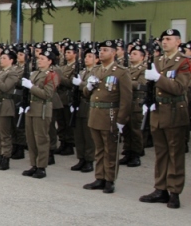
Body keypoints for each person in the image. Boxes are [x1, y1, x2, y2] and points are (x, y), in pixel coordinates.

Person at [139, 29, 191, 209]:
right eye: (163, 39)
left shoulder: (184, 62)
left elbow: (179, 88)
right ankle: (161, 188)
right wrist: (148, 100)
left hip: (175, 112)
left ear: (178, 42)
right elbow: (152, 86)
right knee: (161, 153)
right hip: (158, 111)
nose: (165, 42)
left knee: (175, 153)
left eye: (169, 39)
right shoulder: (157, 60)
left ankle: (174, 191)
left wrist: (158, 78)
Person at [82, 40, 131, 194]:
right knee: (99, 149)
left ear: (113, 53)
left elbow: (126, 98)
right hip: (95, 113)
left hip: (110, 114)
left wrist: (122, 119)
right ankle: (99, 177)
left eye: (105, 50)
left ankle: (110, 179)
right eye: (100, 50)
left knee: (110, 149)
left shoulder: (121, 72)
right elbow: (86, 93)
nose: (101, 52)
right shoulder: (96, 70)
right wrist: (87, 87)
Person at [20, 49, 58, 179]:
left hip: (42, 109)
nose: (39, 60)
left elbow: (47, 94)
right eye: (39, 58)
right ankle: (34, 164)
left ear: (50, 61)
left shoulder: (51, 75)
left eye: (43, 59)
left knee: (41, 139)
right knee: (31, 139)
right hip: (31, 108)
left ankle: (41, 167)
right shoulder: (35, 73)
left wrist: (31, 87)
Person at [0, 48, 21, 171]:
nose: (1, 60)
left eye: (4, 58)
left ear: (11, 60)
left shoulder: (13, 72)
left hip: (5, 104)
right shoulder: (1, 72)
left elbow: (6, 87)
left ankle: (6, 158)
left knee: (4, 134)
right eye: (1, 58)